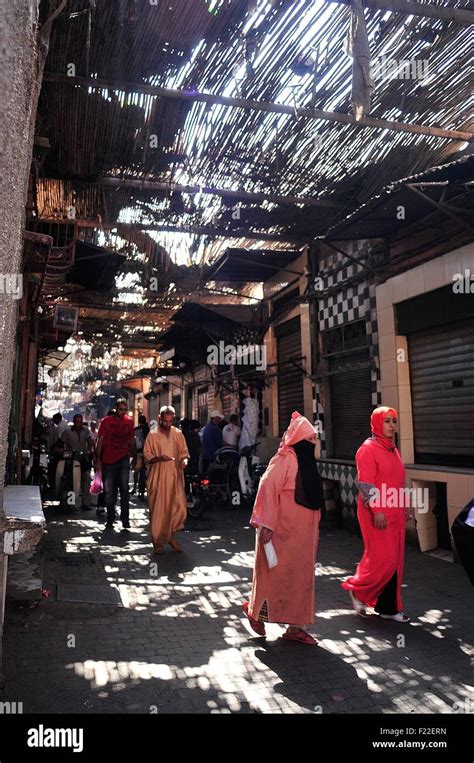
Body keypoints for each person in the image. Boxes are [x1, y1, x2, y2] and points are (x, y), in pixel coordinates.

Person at [243, 411, 324, 645]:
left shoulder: (304, 461)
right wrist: (265, 524)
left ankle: (295, 627)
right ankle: (255, 611)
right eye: (308, 440)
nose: (312, 444)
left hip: (303, 537)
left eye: (313, 440)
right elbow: (266, 488)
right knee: (273, 577)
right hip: (279, 535)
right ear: (299, 440)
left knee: (300, 580)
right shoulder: (284, 458)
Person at [341, 406, 410, 623]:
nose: (391, 426)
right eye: (387, 421)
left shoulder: (392, 449)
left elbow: (398, 480)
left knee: (395, 560)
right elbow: (365, 483)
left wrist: (405, 505)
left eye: (394, 421)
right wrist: (377, 510)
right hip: (376, 513)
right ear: (377, 423)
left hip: (395, 511)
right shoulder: (367, 449)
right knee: (384, 558)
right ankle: (358, 589)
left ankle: (388, 607)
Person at [143, 405, 189, 554]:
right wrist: (158, 458)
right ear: (160, 419)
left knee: (178, 507)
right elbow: (147, 456)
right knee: (159, 511)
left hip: (175, 478)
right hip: (158, 479)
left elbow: (184, 452)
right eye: (165, 421)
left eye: (170, 421)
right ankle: (157, 542)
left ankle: (170, 536)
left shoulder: (178, 433)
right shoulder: (152, 435)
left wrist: (184, 461)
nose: (168, 424)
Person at [96, 400, 136, 530]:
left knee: (124, 490)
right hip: (108, 461)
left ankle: (125, 519)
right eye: (121, 409)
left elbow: (131, 440)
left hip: (123, 459)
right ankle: (110, 518)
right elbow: (100, 440)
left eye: (125, 409)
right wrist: (98, 459)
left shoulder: (129, 422)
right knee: (109, 492)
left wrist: (135, 456)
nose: (123, 412)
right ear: (116, 409)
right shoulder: (106, 421)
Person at [56, 414, 92, 510]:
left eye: (80, 421)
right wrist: (59, 449)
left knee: (86, 478)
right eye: (76, 421)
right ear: (74, 421)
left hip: (83, 458)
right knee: (64, 475)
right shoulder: (67, 432)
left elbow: (89, 441)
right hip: (71, 458)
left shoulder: (86, 431)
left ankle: (86, 503)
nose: (78, 423)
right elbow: (61, 442)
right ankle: (62, 499)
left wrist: (89, 450)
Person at [131, 415, 149, 500]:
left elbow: (133, 442)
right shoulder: (148, 429)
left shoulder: (136, 430)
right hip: (146, 453)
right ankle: (146, 488)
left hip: (138, 453)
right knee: (146, 471)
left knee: (136, 471)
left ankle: (135, 487)